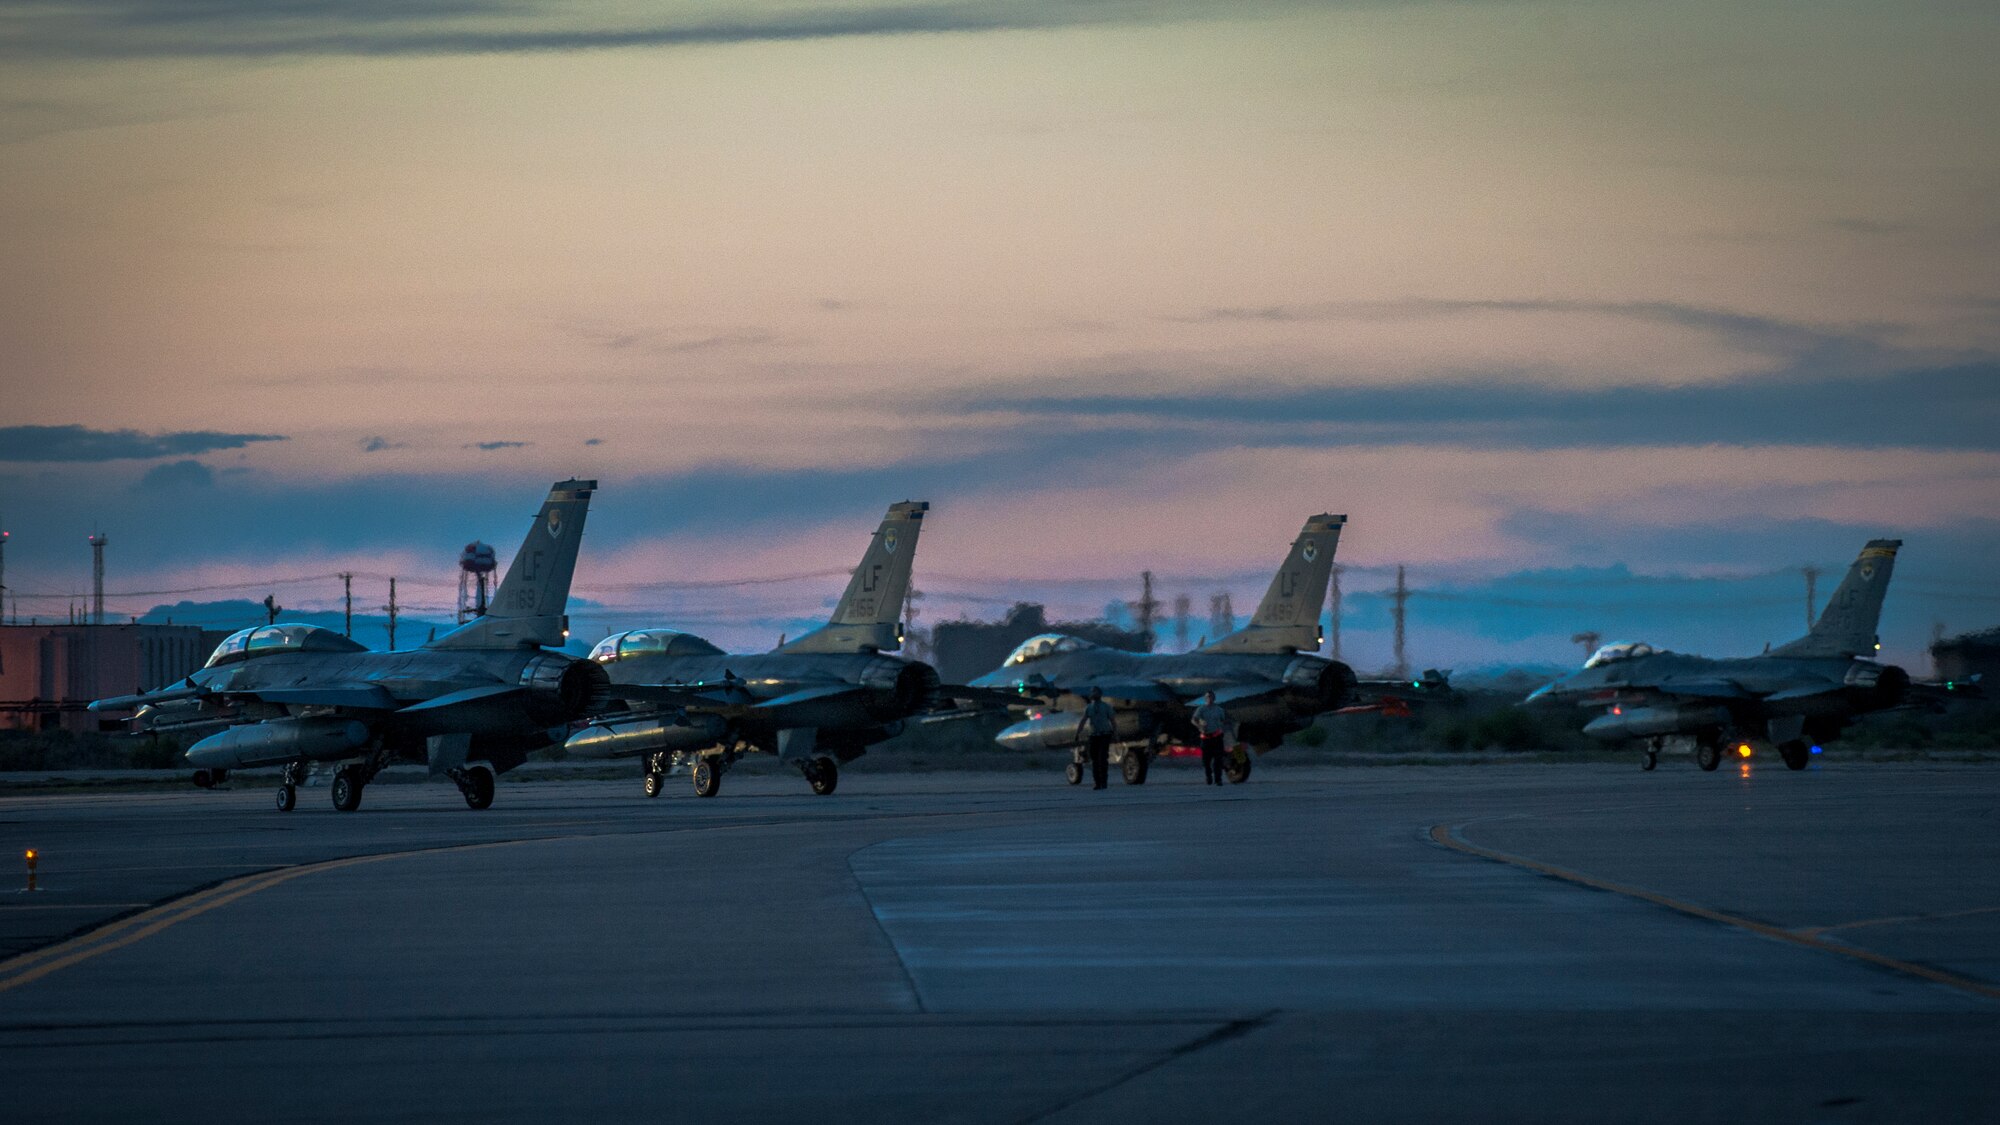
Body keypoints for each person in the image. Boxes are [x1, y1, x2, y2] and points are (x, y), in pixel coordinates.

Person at [1075, 687, 1116, 790]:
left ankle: (1103, 782)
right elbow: (1083, 721)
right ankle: (1097, 783)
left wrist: (1116, 733)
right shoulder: (1089, 708)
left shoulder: (1106, 707)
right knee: (1095, 760)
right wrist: (1078, 733)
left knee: (1102, 759)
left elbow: (1112, 720)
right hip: (1093, 735)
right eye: (1093, 692)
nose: (1094, 694)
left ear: (1100, 694)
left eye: (1096, 692)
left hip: (1104, 735)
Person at [1192, 690, 1229, 786]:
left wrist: (1223, 728)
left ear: (1214, 698)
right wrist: (1200, 726)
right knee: (1206, 761)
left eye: (1211, 697)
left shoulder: (1219, 710)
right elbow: (1194, 719)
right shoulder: (1201, 709)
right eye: (1208, 697)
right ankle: (1209, 776)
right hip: (1205, 738)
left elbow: (1224, 720)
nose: (1210, 698)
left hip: (1217, 737)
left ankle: (1218, 779)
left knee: (1218, 760)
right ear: (1205, 698)